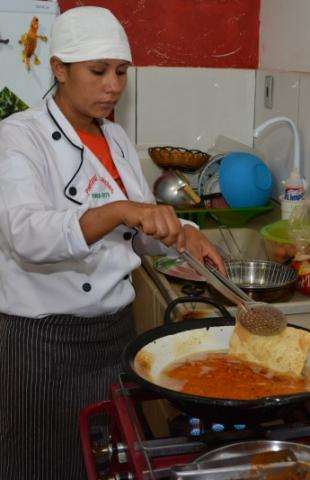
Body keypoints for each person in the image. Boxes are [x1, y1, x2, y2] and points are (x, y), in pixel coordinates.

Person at [0, 6, 224, 479]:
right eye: (98, 71)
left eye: (121, 71)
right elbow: (27, 236)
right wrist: (122, 210)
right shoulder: (20, 137)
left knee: (112, 464)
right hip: (43, 345)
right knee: (44, 466)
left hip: (114, 337)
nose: (113, 85)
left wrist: (185, 235)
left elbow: (144, 235)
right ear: (59, 68)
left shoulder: (117, 137)